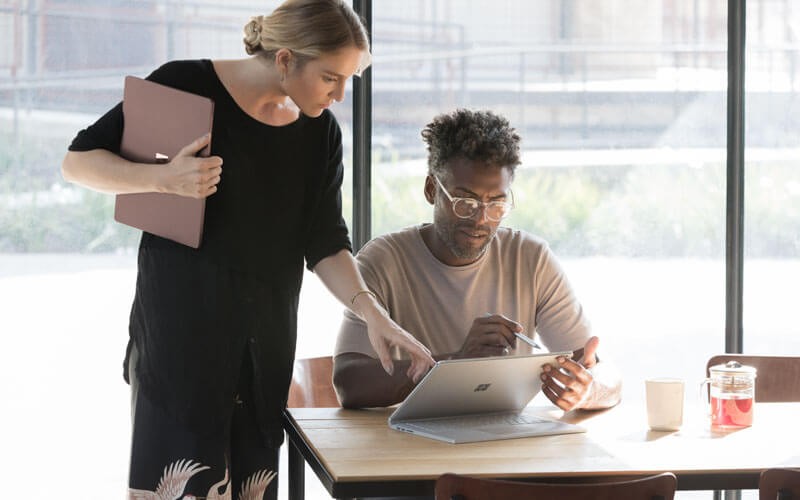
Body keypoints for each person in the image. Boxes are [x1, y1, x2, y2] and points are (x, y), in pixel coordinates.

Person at [61, 1, 434, 498]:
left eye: (348, 80)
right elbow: (77, 161)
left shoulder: (319, 131)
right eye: (330, 77)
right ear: (284, 60)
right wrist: (162, 179)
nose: (340, 95)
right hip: (180, 351)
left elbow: (324, 241)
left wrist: (374, 314)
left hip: (263, 356)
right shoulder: (183, 85)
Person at [333, 109, 621, 412]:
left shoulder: (531, 260)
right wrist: (455, 363)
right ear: (432, 190)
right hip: (414, 448)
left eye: (496, 204)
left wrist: (589, 391)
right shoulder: (383, 261)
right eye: (464, 202)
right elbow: (348, 383)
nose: (480, 219)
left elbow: (606, 375)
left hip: (504, 448)